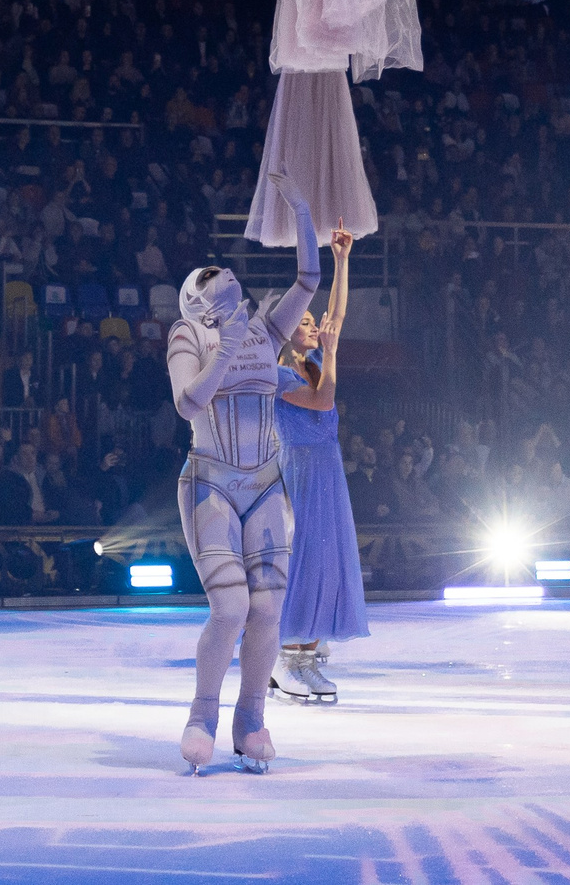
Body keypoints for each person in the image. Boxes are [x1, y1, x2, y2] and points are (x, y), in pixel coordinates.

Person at [166, 171, 318, 774]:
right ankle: (202, 713)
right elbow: (187, 404)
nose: (229, 287)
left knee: (268, 608)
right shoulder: (188, 337)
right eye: (215, 287)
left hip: (266, 481)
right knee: (229, 608)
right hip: (210, 483)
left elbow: (308, 279)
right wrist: (223, 347)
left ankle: (250, 716)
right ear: (198, 302)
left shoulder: (263, 331)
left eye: (227, 280)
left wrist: (301, 211)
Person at [272, 225, 367, 704]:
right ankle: (287, 657)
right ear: (285, 327)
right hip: (302, 470)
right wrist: (329, 354)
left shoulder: (310, 358)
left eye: (313, 320)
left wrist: (341, 260)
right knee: (306, 558)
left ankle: (306, 653)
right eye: (305, 320)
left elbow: (338, 315)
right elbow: (324, 399)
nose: (315, 325)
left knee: (329, 557)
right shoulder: (278, 373)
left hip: (327, 467)